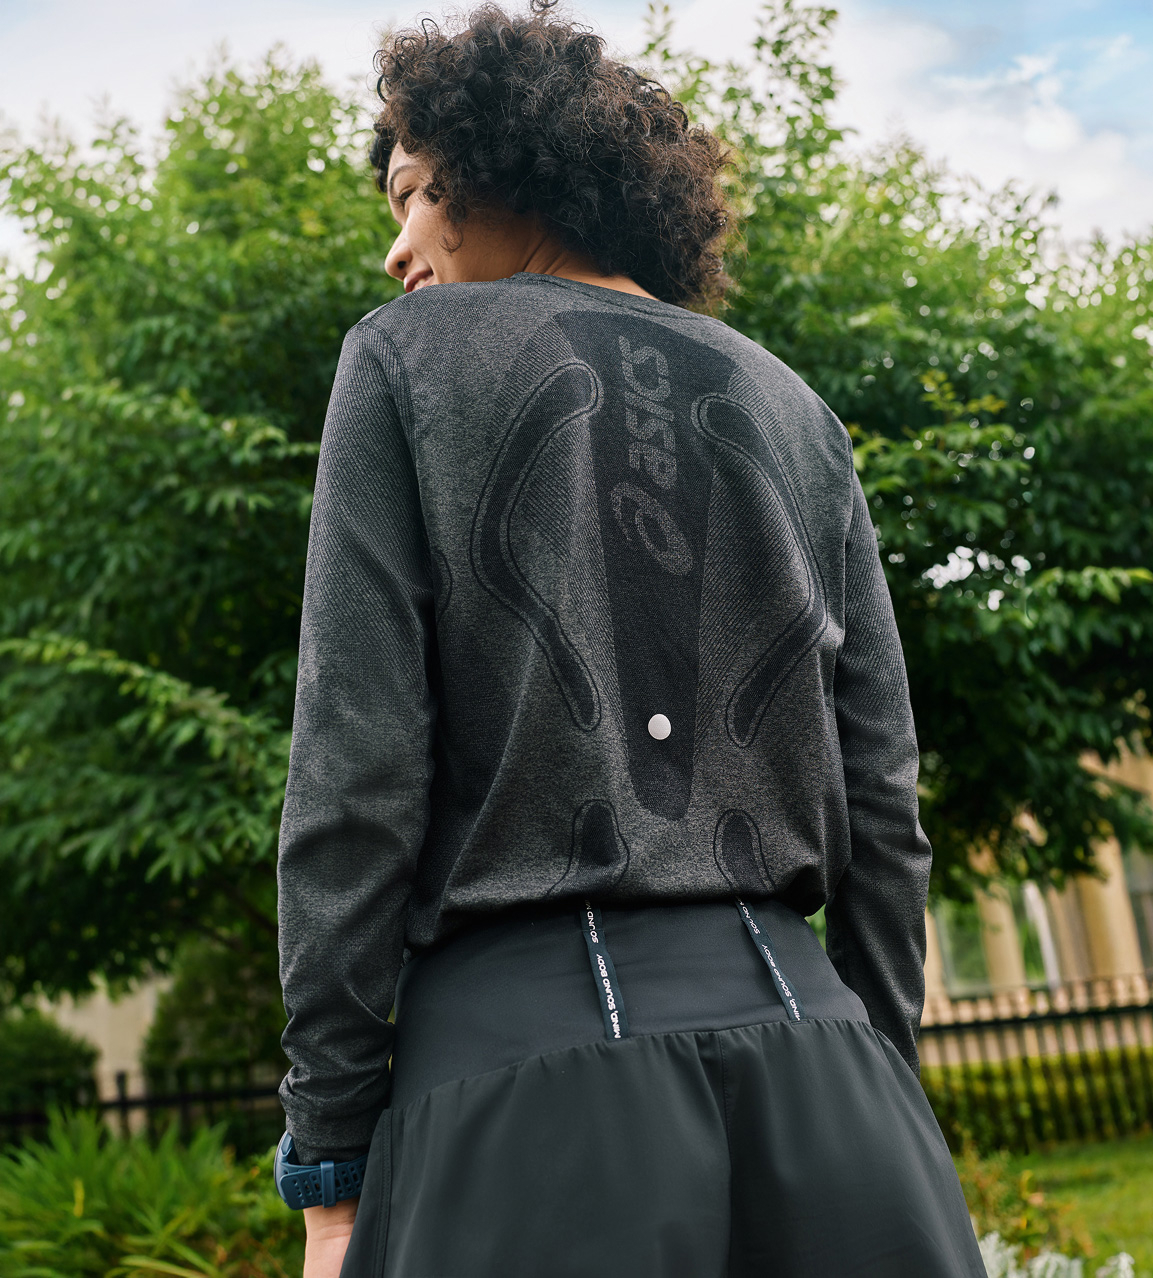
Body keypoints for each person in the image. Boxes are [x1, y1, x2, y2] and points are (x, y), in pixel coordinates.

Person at [274, 3, 987, 1275]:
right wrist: (876, 1077)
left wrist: (330, 1171)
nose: (397, 245)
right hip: (825, 1068)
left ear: (504, 168)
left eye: (416, 192)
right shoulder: (795, 407)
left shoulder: (404, 360)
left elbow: (355, 767)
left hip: (525, 1087)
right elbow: (884, 802)